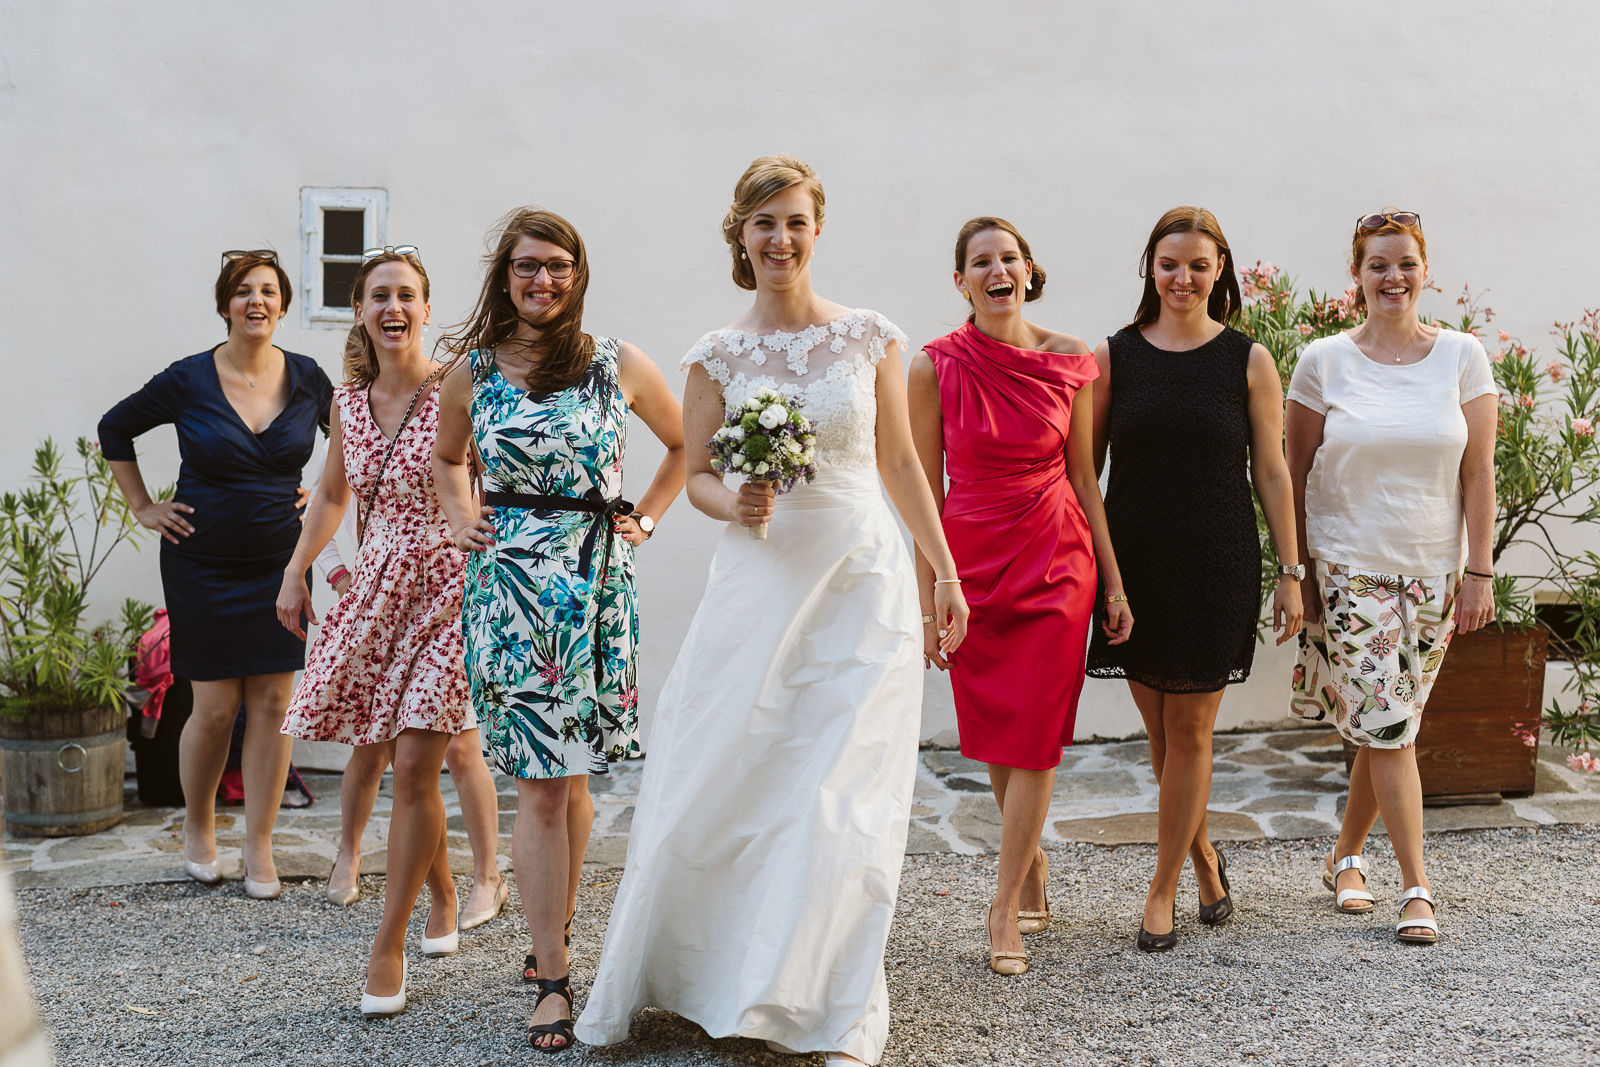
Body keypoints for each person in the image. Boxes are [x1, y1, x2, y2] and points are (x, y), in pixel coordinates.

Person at [576, 154, 970, 1067]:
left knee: (843, 789)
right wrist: (736, 499)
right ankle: (715, 976)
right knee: (734, 772)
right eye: (765, 222)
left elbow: (901, 464)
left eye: (795, 221)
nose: (781, 238)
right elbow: (699, 475)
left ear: (817, 230)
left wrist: (943, 574)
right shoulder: (714, 355)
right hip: (757, 583)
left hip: (860, 576)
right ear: (741, 235)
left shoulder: (870, 337)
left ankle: (825, 999)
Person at [432, 208, 686, 1051]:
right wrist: (460, 512)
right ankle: (551, 973)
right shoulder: (472, 371)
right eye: (526, 266)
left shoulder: (617, 363)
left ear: (577, 275)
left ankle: (557, 928)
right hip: (510, 594)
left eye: (557, 266)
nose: (542, 279)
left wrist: (646, 518)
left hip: (595, 587)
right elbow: (447, 457)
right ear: (504, 276)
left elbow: (685, 444)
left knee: (574, 779)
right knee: (541, 783)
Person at [910, 217, 1132, 976]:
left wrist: (1113, 579)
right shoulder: (932, 366)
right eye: (981, 261)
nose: (997, 270)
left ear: (1029, 272)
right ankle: (1028, 859)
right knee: (997, 729)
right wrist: (927, 599)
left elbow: (1084, 477)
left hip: (1057, 558)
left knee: (1034, 732)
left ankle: (1002, 904)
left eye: (1009, 258)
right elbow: (924, 493)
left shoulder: (1072, 358)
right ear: (961, 280)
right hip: (969, 566)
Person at [1085, 207, 1303, 951]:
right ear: (1151, 268)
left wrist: (1291, 571)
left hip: (1217, 561)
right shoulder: (1114, 356)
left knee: (1190, 729)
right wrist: (1102, 574)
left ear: (1220, 271)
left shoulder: (1249, 360)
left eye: (1198, 265)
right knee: (1162, 733)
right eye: (1169, 264)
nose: (1183, 278)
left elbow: (1272, 472)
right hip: (1134, 566)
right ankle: (1206, 858)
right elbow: (1085, 474)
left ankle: (1161, 889)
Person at [1287, 210, 1497, 945]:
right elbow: (1292, 474)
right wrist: (1297, 574)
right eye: (1377, 264)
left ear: (1424, 270)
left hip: (1436, 573)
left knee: (1389, 724)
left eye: (1405, 263)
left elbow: (1479, 473)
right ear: (1357, 274)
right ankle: (1417, 888)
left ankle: (1344, 856)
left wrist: (1480, 569)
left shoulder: (1463, 356)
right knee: (1390, 726)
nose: (1393, 277)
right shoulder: (1323, 362)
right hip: (1353, 571)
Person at [275, 247, 474, 1015]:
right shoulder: (348, 403)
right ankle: (444, 892)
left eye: (406, 295)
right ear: (359, 310)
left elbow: (493, 480)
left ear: (425, 308)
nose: (393, 307)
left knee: (418, 760)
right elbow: (332, 495)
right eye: (379, 296)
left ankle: (386, 949)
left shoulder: (459, 387)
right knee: (396, 756)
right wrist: (296, 569)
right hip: (378, 592)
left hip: (452, 586)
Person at [99, 249, 333, 899]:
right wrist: (143, 506)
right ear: (225, 304)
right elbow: (115, 427)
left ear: (282, 306)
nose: (257, 301)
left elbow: (355, 441)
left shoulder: (309, 377)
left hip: (283, 565)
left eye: (268, 291)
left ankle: (259, 843)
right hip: (201, 565)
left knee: (274, 705)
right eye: (243, 290)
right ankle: (198, 826)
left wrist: (322, 490)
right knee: (215, 706)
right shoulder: (188, 378)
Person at [305, 438, 505, 924]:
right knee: (371, 750)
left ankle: (487, 876)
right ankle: (349, 853)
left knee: (461, 747)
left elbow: (493, 489)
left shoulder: (453, 416)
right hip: (380, 604)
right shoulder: (353, 421)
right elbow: (320, 504)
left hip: (449, 597)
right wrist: (338, 576)